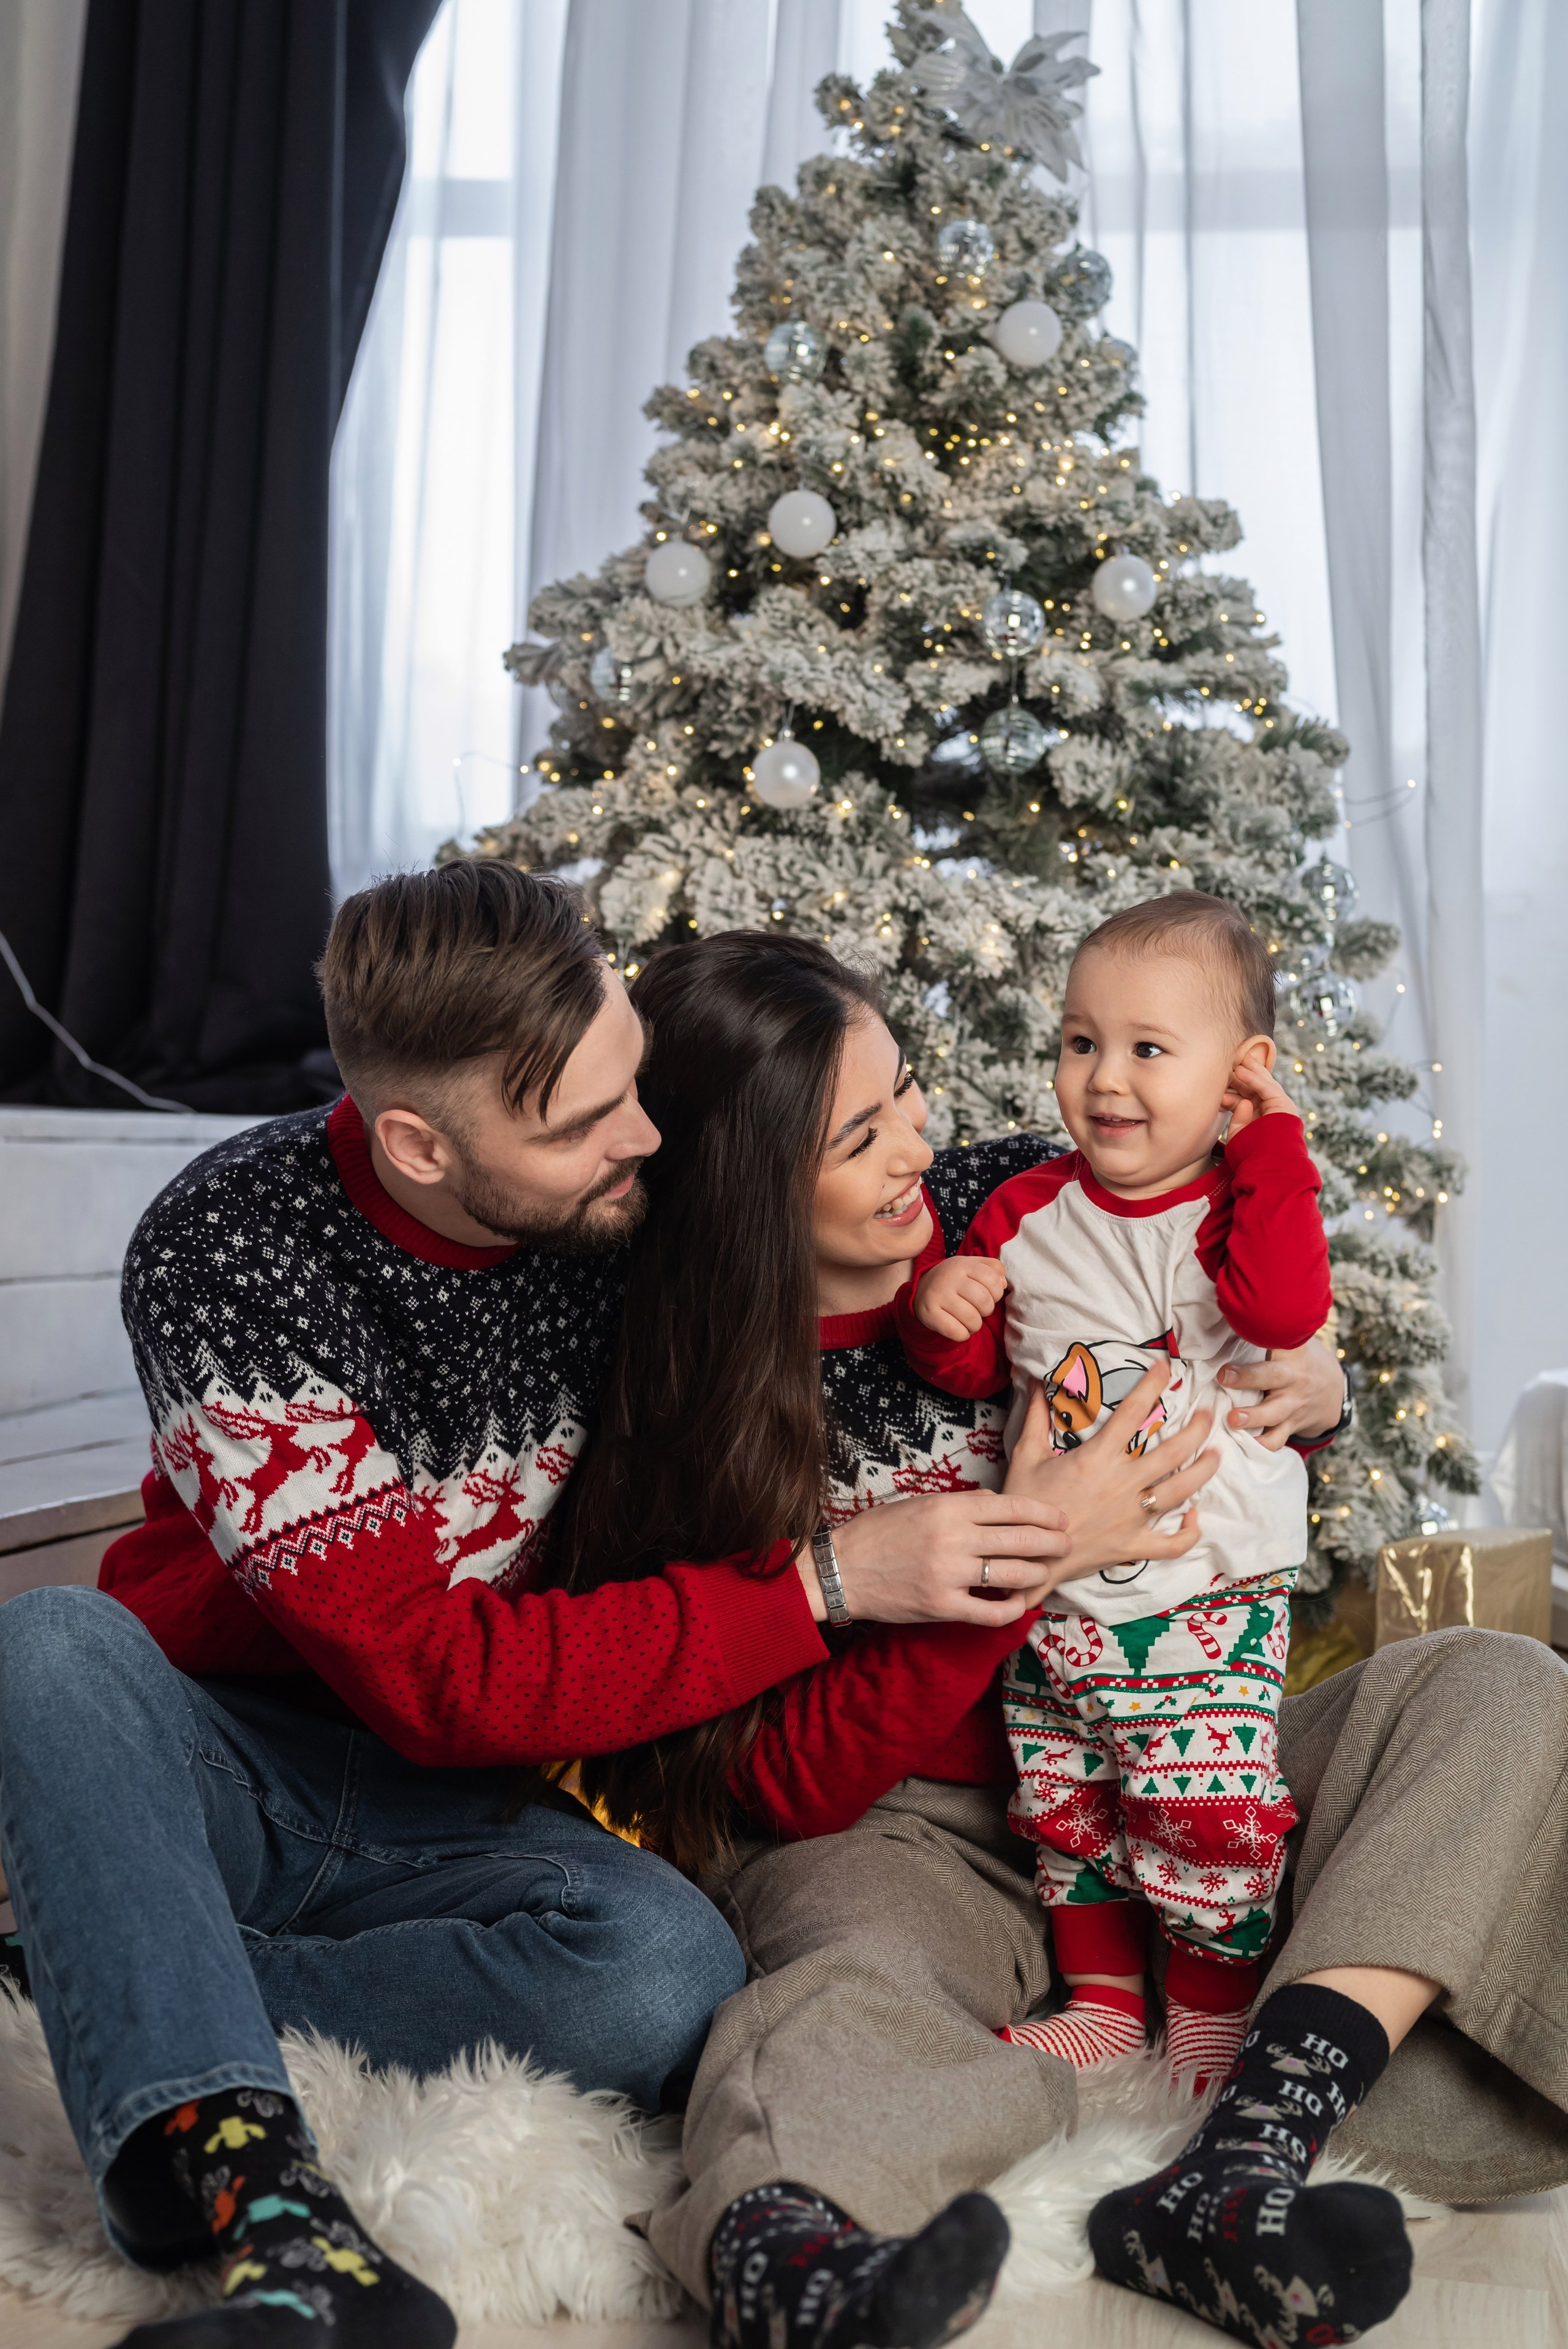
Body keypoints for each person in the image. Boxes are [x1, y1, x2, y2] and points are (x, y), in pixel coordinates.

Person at [0, 868, 1082, 2349]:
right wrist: (829, 1578)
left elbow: (965, 1179)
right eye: (580, 1123)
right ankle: (276, 2224)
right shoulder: (233, 1257)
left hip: (459, 1825)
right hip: (226, 1763)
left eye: (630, 1080)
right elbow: (440, 1682)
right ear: (420, 1142)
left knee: (667, 1975)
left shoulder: (632, 1192)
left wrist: (1237, 1279)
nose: (643, 1139)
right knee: (48, 1645)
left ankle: (105, 1954)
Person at [541, 931, 1376, 2349]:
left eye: (908, 1087)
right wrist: (1027, 1543)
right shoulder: (691, 1428)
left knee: (1490, 1692)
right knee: (834, 1974)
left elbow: (1229, 1272)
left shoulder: (1011, 1201)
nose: (917, 1141)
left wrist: (1310, 1379)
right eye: (861, 1133)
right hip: (917, 1828)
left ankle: (1250, 2146)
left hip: (1184, 1713)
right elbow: (784, 1789)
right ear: (747, 1189)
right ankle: (785, 2245)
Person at [898, 894, 1332, 2090]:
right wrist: (942, 1317)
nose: (1102, 1077)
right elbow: (982, 1368)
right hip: (1059, 1585)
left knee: (1202, 1809)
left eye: (1147, 1048)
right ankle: (1100, 1997)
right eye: (1079, 1041)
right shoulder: (1027, 1208)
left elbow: (1280, 1314)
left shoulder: (1241, 1202)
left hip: (1208, 1580)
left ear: (1238, 1075)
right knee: (1065, 1797)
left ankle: (1202, 2009)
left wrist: (1271, 1139)